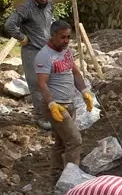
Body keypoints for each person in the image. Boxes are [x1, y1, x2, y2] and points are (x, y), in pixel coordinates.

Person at [32, 20, 93, 179]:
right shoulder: (44, 56)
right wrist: (51, 103)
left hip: (69, 103)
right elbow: (42, 84)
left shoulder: (67, 52)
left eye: (68, 37)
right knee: (75, 140)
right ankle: (72, 180)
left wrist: (84, 90)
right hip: (55, 106)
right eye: (62, 37)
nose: (66, 41)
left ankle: (57, 174)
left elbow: (75, 73)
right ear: (52, 36)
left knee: (61, 142)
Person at [5, 0, 55, 98]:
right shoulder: (26, 8)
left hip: (48, 50)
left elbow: (50, 20)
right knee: (37, 86)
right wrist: (21, 37)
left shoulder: (49, 4)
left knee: (52, 83)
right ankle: (40, 115)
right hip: (32, 52)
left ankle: (53, 114)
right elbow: (9, 24)